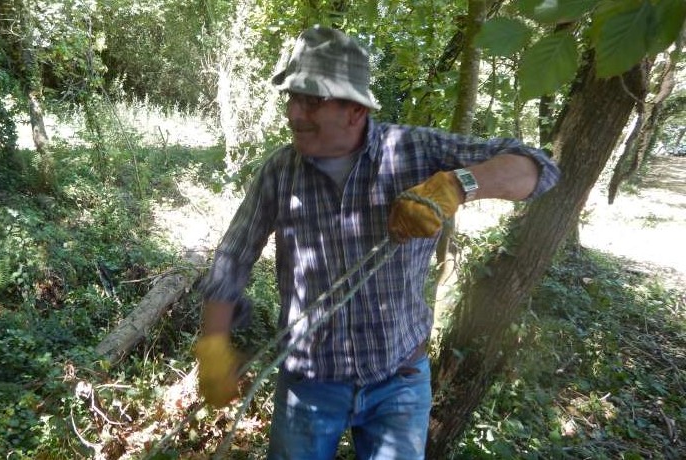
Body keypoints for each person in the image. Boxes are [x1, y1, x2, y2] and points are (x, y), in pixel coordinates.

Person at [194, 25, 560, 459]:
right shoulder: (280, 171)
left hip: (398, 382)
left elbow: (538, 169)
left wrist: (459, 185)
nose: (293, 113)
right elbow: (234, 255)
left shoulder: (416, 152)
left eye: (310, 100)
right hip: (309, 385)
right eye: (291, 98)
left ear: (354, 110)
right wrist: (213, 345)